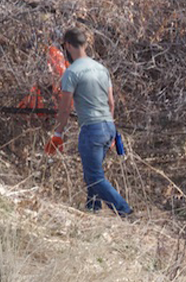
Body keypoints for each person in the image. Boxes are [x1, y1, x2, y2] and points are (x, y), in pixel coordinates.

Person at [51, 26, 132, 216]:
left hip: (92, 129)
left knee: (94, 176)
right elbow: (111, 103)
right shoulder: (102, 69)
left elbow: (65, 108)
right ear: (85, 45)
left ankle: (124, 210)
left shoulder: (72, 72)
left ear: (68, 45)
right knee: (92, 172)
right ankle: (92, 210)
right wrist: (111, 131)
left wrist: (58, 133)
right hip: (108, 127)